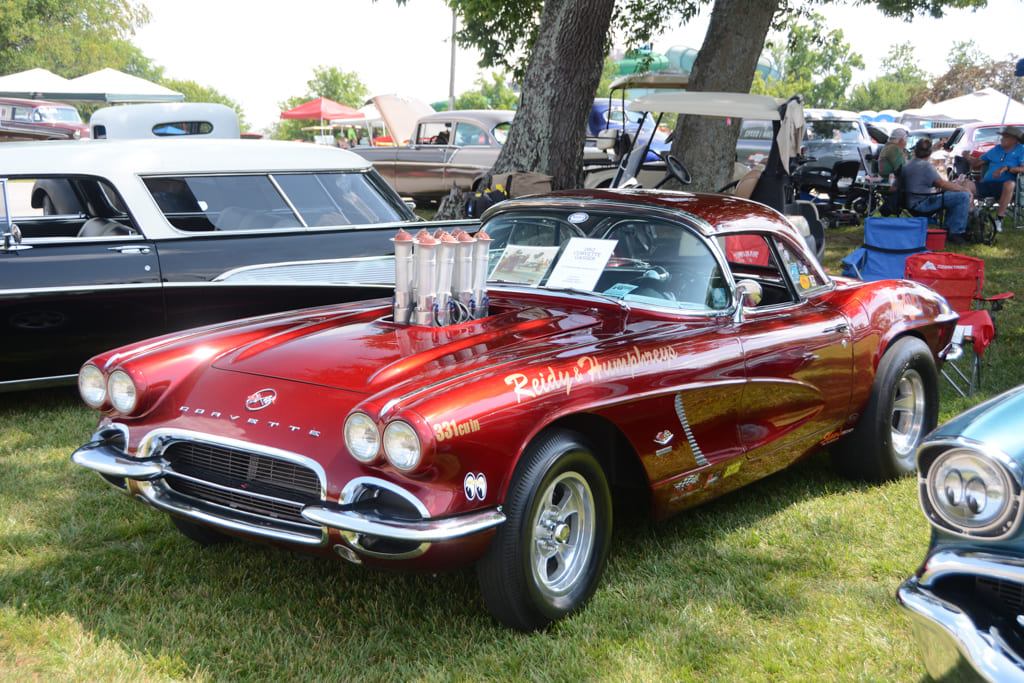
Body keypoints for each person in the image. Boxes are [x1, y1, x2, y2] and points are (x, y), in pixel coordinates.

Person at [902, 137, 972, 244]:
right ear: (930, 152)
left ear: (915, 150)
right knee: (962, 196)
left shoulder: (909, 165)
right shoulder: (926, 166)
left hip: (910, 202)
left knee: (953, 195)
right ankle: (956, 232)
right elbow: (942, 184)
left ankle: (949, 229)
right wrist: (964, 189)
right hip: (922, 204)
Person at [965, 125, 1024, 232]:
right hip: (987, 183)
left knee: (1009, 184)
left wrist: (1007, 168)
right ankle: (974, 214)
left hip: (1006, 186)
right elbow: (976, 162)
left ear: (1014, 139)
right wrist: (967, 157)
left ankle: (998, 220)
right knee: (966, 184)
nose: (1001, 139)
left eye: (1005, 137)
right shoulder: (996, 149)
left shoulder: (1021, 150)